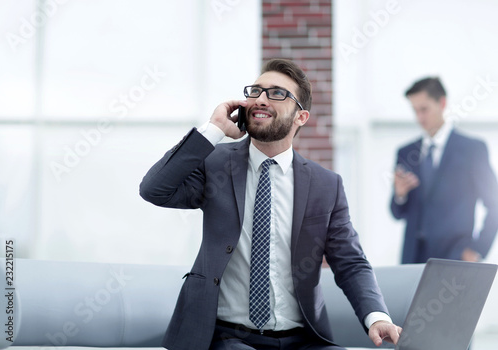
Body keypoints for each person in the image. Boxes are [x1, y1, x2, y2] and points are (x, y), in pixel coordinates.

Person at [140, 58, 401, 350]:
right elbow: (155, 189)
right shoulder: (214, 163)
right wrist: (213, 129)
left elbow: (350, 262)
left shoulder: (326, 185)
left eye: (277, 93)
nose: (260, 100)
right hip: (227, 337)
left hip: (302, 339)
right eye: (256, 91)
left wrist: (376, 317)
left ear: (300, 117)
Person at [391, 77, 498, 264]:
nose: (419, 118)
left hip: (456, 258)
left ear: (442, 103)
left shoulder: (472, 149)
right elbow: (397, 213)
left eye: (424, 109)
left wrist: (477, 249)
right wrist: (399, 195)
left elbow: (494, 203)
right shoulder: (406, 153)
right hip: (414, 260)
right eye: (415, 110)